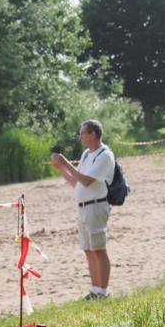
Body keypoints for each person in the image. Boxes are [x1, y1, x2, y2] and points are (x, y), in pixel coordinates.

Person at [51, 119, 116, 298]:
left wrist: (65, 163)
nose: (79, 137)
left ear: (93, 134)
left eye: (82, 133)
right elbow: (76, 182)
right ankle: (94, 290)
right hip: (83, 207)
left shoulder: (105, 155)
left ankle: (102, 291)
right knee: (88, 249)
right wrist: (60, 168)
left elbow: (87, 180)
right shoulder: (87, 154)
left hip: (96, 205)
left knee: (99, 249)